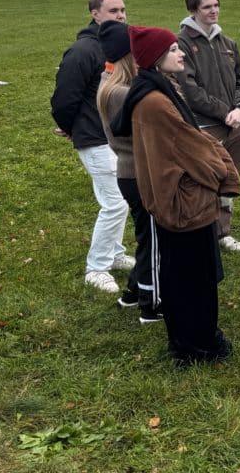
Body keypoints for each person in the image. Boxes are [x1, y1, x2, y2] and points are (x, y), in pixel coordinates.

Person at [113, 26, 239, 366]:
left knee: (187, 271)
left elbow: (194, 139)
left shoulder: (159, 90)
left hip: (176, 197)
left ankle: (193, 339)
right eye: (171, 50)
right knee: (191, 276)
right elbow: (193, 146)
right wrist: (223, 172)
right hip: (183, 201)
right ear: (155, 58)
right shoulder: (154, 101)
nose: (180, 53)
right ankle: (197, 344)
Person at [50, 0, 133, 294]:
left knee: (120, 200)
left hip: (115, 138)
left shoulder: (118, 48)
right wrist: (71, 127)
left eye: (123, 10)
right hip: (94, 139)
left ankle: (115, 254)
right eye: (113, 11)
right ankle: (96, 267)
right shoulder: (83, 51)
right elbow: (63, 98)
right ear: (95, 14)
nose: (121, 16)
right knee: (114, 203)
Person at [177, 0, 240, 252]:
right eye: (207, 7)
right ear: (193, 10)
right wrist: (224, 112)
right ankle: (203, 232)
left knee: (230, 179)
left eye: (216, 5)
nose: (213, 11)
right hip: (207, 126)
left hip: (234, 124)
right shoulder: (183, 43)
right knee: (206, 180)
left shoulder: (228, 43)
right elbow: (190, 90)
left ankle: (223, 232)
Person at [95, 20, 160, 323]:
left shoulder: (110, 84)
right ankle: (151, 302)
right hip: (140, 171)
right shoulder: (124, 93)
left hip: (129, 171)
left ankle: (133, 292)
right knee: (153, 239)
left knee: (146, 235)